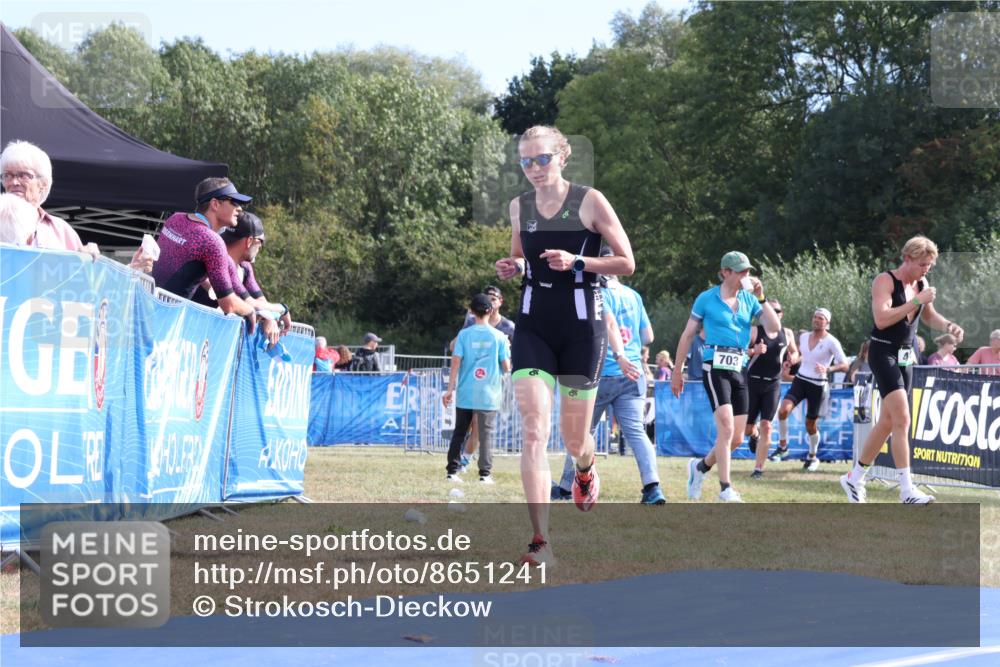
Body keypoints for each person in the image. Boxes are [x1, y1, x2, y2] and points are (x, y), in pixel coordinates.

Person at [494, 125, 635, 565]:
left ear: (562, 157)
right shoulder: (519, 207)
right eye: (526, 161)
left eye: (542, 159)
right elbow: (521, 255)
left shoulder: (590, 201)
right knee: (533, 428)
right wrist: (513, 266)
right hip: (533, 327)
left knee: (575, 438)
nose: (534, 168)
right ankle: (541, 542)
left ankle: (586, 468)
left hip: (582, 330)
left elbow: (627, 262)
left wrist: (579, 261)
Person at [841, 235, 965, 504]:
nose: (926, 270)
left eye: (929, 265)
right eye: (922, 264)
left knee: (888, 422)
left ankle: (854, 478)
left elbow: (928, 315)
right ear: (907, 258)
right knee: (903, 419)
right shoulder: (885, 281)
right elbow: (882, 319)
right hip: (883, 352)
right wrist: (917, 301)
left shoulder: (922, 283)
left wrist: (949, 326)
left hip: (907, 355)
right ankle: (907, 490)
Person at [672, 251, 781, 503]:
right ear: (725, 272)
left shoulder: (749, 299)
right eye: (741, 271)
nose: (747, 276)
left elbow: (773, 328)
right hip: (714, 366)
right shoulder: (706, 299)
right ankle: (725, 489)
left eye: (748, 271)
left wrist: (761, 297)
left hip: (740, 368)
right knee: (726, 426)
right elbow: (688, 335)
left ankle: (700, 468)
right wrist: (677, 371)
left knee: (737, 438)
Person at [553, 265, 665, 505]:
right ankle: (652, 486)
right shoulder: (633, 295)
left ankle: (565, 486)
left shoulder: (596, 293)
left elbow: (602, 327)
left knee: (581, 432)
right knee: (636, 432)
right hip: (633, 373)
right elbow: (648, 336)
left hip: (601, 371)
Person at [1, 140, 151, 270]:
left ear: (43, 184)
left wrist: (130, 270)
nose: (14, 182)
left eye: (24, 175)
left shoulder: (61, 231)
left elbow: (86, 285)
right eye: (7, 175)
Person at [151, 177, 255, 318]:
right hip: (166, 323)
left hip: (146, 307)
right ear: (215, 204)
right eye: (234, 202)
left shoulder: (175, 218)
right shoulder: (212, 241)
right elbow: (228, 303)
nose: (240, 208)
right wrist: (250, 311)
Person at [442, 294, 512, 483]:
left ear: (472, 312)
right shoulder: (499, 336)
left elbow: (455, 362)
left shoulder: (464, 335)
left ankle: (452, 472)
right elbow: (506, 367)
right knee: (485, 434)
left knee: (459, 432)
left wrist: (449, 390)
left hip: (466, 391)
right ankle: (485, 475)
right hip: (488, 394)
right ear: (490, 311)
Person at [770, 307, 849, 470]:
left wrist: (829, 369)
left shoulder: (832, 342)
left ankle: (812, 457)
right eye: (815, 317)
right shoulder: (804, 336)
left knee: (810, 425)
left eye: (821, 318)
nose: (817, 320)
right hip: (800, 380)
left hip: (818, 386)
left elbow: (845, 365)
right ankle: (783, 447)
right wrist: (792, 361)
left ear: (827, 323)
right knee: (783, 410)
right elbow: (801, 354)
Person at [744, 298, 799, 478]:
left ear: (781, 314)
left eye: (776, 311)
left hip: (773, 384)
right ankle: (754, 434)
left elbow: (795, 352)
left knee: (767, 425)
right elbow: (739, 351)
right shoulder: (754, 331)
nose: (773, 314)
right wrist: (754, 351)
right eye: (769, 311)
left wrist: (793, 359)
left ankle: (758, 469)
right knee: (746, 429)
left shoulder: (787, 333)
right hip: (752, 382)